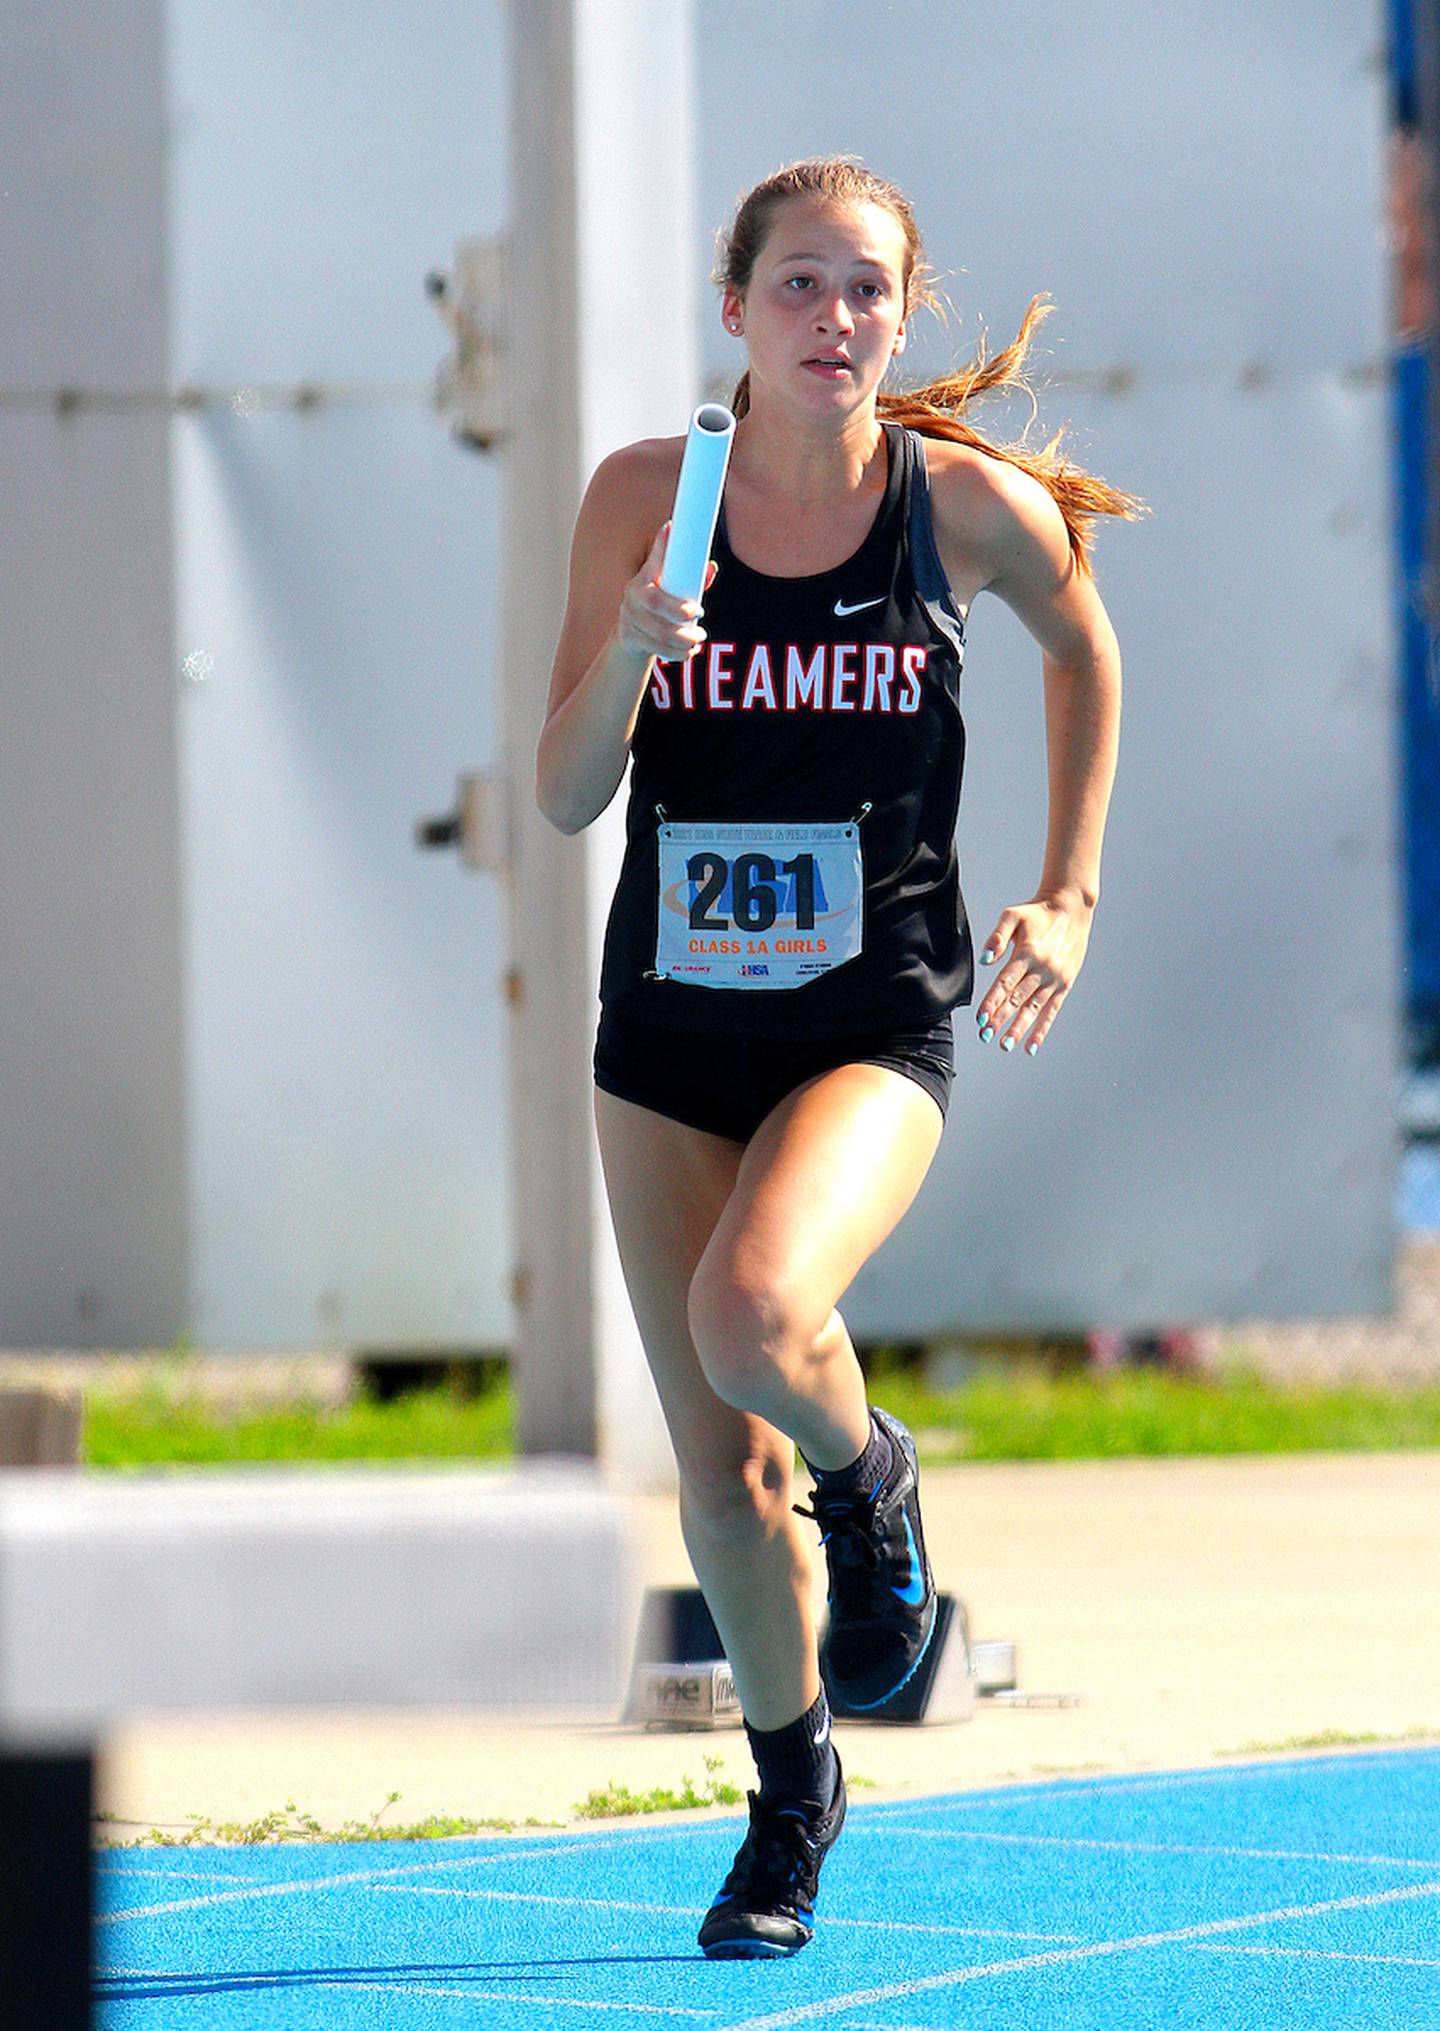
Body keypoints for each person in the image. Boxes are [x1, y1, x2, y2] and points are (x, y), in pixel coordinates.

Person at [535, 154, 1141, 1959]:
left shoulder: (956, 510)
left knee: (755, 1316)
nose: (835, 318)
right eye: (798, 285)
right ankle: (794, 1794)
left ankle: (873, 1473)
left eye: (867, 288)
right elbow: (567, 796)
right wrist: (636, 656)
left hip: (869, 1019)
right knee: (718, 1481)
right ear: (736, 310)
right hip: (665, 1035)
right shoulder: (652, 497)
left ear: (902, 312)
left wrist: (1069, 893)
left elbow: (1083, 649)